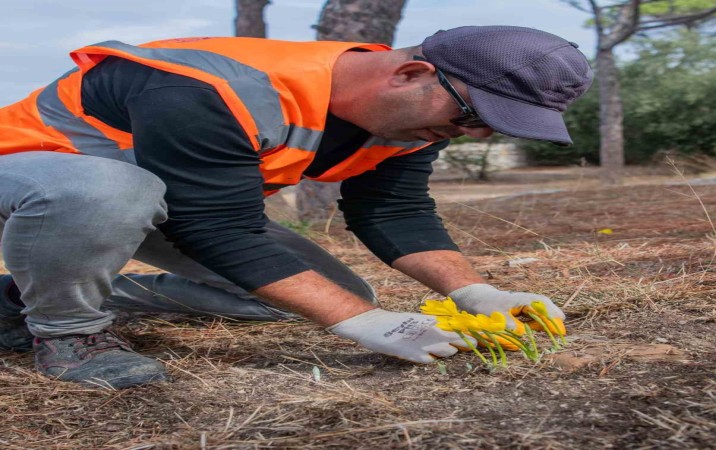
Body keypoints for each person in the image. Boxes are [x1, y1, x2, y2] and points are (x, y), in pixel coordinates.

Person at [0, 26, 593, 388]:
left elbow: (394, 209)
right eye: (470, 118)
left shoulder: (408, 124)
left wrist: (473, 292)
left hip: (160, 200)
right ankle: (69, 333)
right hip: (32, 179)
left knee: (326, 297)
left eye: (489, 129)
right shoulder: (213, 87)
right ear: (411, 74)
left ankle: (19, 302)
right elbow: (212, 225)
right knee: (110, 190)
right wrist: (354, 327)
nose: (473, 136)